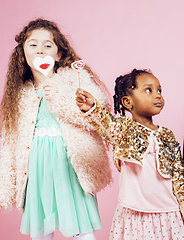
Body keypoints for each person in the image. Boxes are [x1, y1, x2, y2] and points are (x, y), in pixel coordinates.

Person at [0, 18, 112, 240]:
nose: (40, 50)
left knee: (82, 231)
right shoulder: (20, 96)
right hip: (37, 169)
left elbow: (96, 119)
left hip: (70, 166)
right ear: (22, 53)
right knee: (41, 233)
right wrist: (3, 191)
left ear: (59, 54)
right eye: (33, 44)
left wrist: (59, 99)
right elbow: (10, 147)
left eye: (48, 45)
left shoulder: (75, 81)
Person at [76, 69, 184, 239]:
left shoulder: (167, 136)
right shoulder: (123, 130)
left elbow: (179, 175)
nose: (157, 95)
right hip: (135, 213)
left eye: (159, 90)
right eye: (148, 90)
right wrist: (92, 107)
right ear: (127, 102)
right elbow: (106, 123)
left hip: (169, 214)